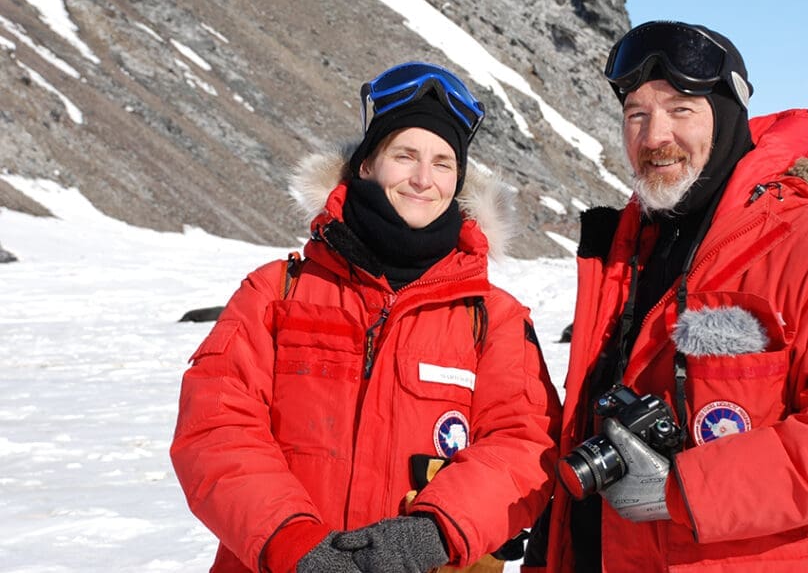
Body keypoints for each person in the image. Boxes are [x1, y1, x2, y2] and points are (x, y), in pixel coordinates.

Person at [538, 21, 808, 571]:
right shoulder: (624, 255)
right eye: (636, 115)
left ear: (727, 117)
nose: (654, 138)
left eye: (680, 110)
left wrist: (686, 488)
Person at [170, 62, 561, 573]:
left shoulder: (492, 319)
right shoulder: (276, 293)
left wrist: (435, 532)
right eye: (405, 156)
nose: (424, 179)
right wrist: (291, 540)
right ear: (366, 165)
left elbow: (525, 443)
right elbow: (215, 427)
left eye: (443, 163)